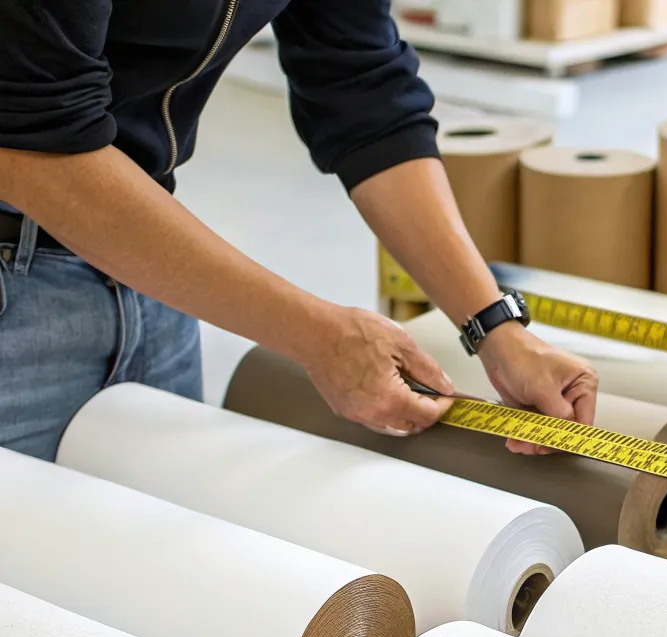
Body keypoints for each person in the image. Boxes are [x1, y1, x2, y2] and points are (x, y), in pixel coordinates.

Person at [0, 1, 597, 461]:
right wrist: (315, 336)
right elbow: (32, 144)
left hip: (147, 257)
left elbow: (361, 87)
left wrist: (495, 326)